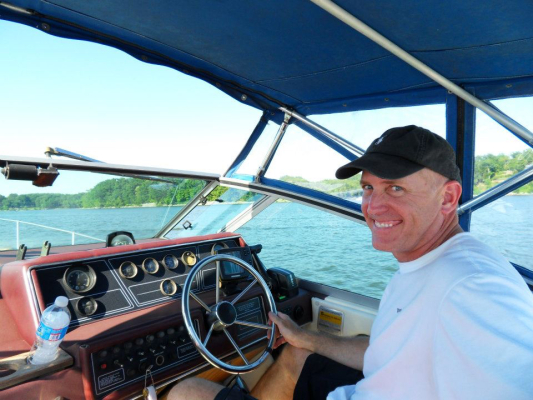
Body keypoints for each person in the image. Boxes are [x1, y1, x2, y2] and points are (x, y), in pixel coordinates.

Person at [169, 125, 533, 400]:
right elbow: (384, 354)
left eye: (396, 188)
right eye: (368, 188)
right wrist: (305, 337)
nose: (373, 206)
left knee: (187, 391)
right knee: (297, 353)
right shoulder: (425, 264)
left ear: (448, 197)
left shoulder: (472, 286)